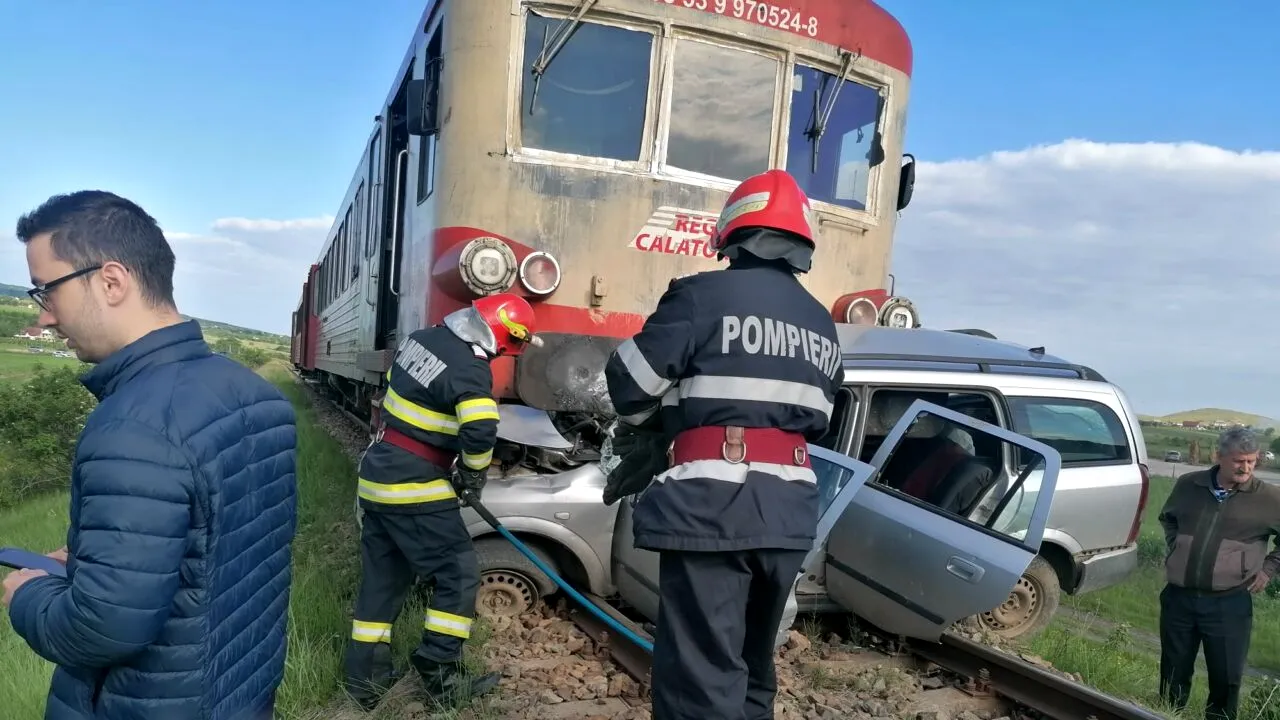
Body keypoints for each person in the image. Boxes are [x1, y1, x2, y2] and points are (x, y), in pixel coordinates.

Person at [0, 190, 298, 719]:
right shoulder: (258, 395)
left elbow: (100, 629)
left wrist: (26, 595)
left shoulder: (133, 429)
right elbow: (215, 556)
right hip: (240, 692)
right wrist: (95, 559)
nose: (44, 318)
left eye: (47, 291)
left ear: (111, 281)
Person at [604, 169, 844, 720]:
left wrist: (663, 425)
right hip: (789, 511)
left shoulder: (699, 296)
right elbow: (817, 421)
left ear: (732, 232)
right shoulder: (821, 324)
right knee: (752, 668)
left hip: (712, 506)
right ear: (801, 242)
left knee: (701, 677)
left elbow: (630, 385)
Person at [342, 293, 542, 710]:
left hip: (377, 476)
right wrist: (472, 474)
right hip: (414, 487)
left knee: (383, 581)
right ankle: (439, 673)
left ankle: (364, 682)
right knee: (458, 573)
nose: (504, 353)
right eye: (509, 345)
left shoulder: (421, 339)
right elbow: (481, 428)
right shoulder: (470, 366)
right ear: (501, 333)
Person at [1157, 426, 1280, 720]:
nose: (1246, 468)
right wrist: (1178, 547)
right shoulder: (1189, 484)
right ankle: (1166, 715)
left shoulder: (1269, 498)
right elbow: (1168, 518)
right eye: (1239, 461)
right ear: (1219, 456)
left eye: (1251, 461)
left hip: (1229, 603)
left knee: (1226, 678)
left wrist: (1269, 569)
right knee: (1172, 673)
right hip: (1179, 598)